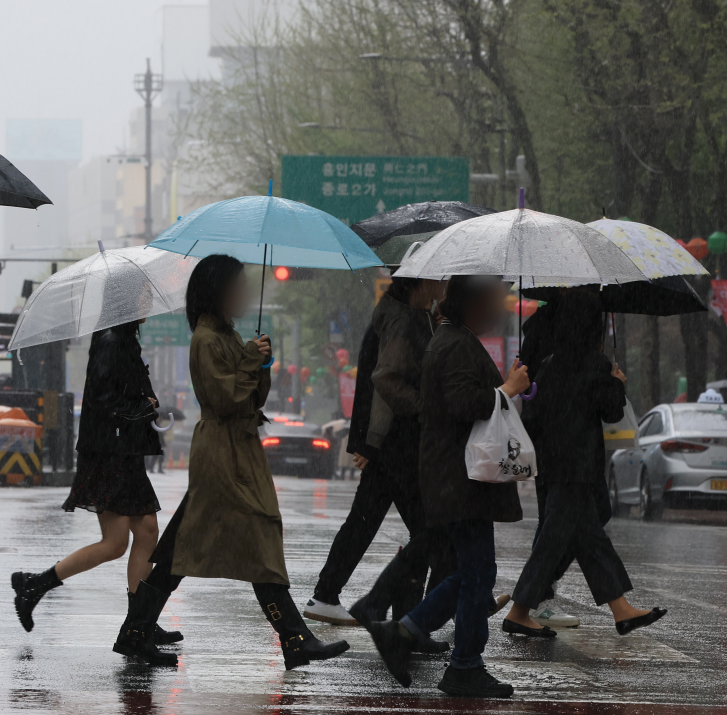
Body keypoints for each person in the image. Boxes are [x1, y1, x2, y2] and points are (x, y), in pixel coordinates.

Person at [115, 254, 350, 670]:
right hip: (222, 455)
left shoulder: (226, 336)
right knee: (252, 538)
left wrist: (258, 361)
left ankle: (135, 633)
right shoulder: (206, 339)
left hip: (237, 451)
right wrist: (248, 361)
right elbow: (223, 400)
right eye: (237, 286)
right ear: (217, 291)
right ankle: (295, 638)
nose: (243, 294)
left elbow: (252, 396)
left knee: (182, 550)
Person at [370, 275, 529, 699]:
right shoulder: (455, 342)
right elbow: (464, 404)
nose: (499, 307)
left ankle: (407, 632)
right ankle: (461, 664)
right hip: (460, 479)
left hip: (457, 477)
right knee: (478, 573)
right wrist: (506, 391)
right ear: (473, 304)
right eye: (493, 298)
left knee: (472, 571)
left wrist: (502, 388)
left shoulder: (453, 338)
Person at [503, 295, 667, 638]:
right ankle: (520, 610)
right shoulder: (595, 365)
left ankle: (620, 609)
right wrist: (617, 384)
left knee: (587, 536)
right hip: (578, 466)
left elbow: (535, 414)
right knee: (554, 539)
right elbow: (611, 412)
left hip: (553, 463)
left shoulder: (549, 362)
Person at [305, 277, 454, 655]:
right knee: (430, 530)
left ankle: (397, 616)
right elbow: (384, 384)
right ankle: (409, 617)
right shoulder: (403, 322)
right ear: (419, 284)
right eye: (438, 279)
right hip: (398, 443)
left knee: (370, 522)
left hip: (394, 443)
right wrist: (371, 441)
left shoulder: (411, 316)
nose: (443, 284)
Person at [11, 318, 181, 647]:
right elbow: (105, 398)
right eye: (141, 295)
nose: (147, 303)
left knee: (146, 531)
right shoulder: (112, 340)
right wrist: (142, 407)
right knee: (116, 543)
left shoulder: (124, 339)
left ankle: (140, 621)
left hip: (121, 450)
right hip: (109, 452)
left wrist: (144, 402)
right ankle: (35, 585)